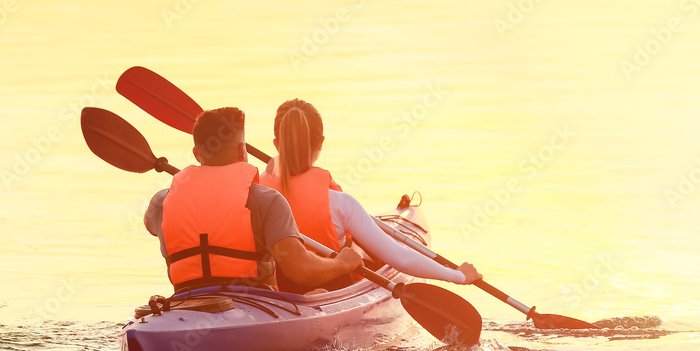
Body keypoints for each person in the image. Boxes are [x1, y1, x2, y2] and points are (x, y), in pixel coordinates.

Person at [261, 98, 483, 292]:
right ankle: (315, 294)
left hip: (275, 291)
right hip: (331, 289)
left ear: (276, 144)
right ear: (321, 143)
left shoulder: (255, 195)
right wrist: (458, 275)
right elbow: (401, 259)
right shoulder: (341, 205)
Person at [144, 106, 363, 292]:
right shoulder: (266, 200)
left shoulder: (161, 201)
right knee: (316, 294)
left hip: (186, 302)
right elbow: (300, 271)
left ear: (196, 153)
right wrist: (342, 264)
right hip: (255, 304)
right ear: (242, 151)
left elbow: (152, 225)